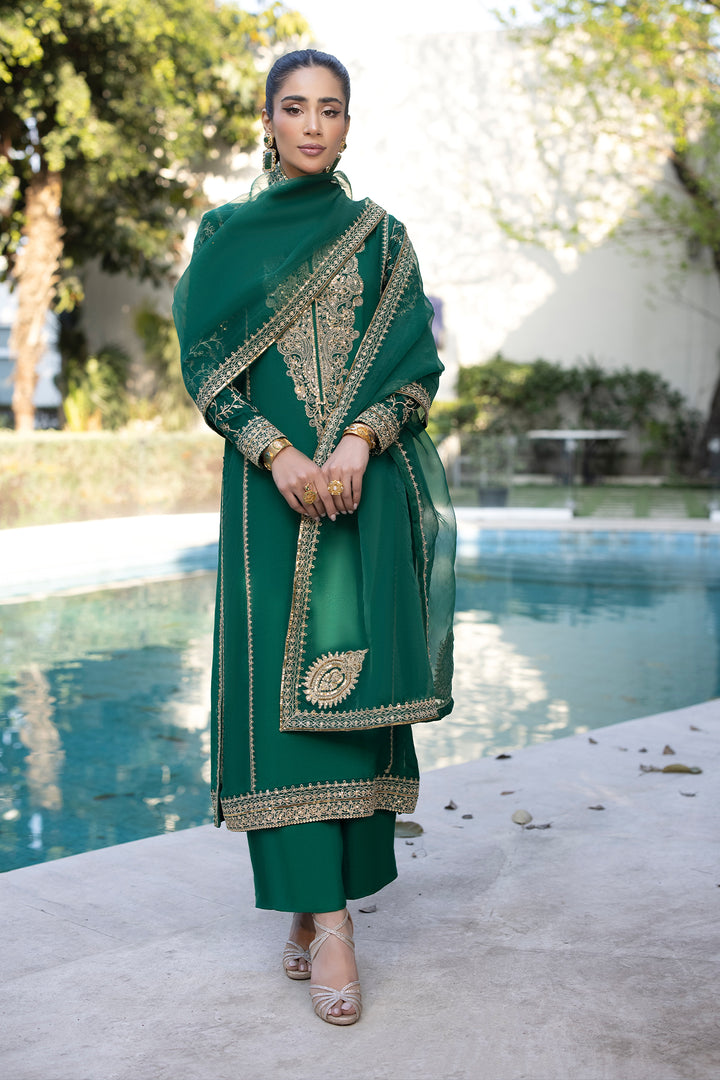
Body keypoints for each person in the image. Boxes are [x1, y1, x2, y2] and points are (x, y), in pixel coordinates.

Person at [173, 48, 455, 1027]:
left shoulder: (383, 240)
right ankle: (331, 926)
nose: (311, 125)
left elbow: (417, 376)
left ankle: (314, 902)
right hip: (269, 502)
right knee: (278, 714)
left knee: (354, 701)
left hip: (363, 502)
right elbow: (208, 369)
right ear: (268, 121)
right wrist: (277, 453)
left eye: (329, 109)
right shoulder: (227, 236)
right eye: (294, 108)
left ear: (346, 125)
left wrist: (362, 441)